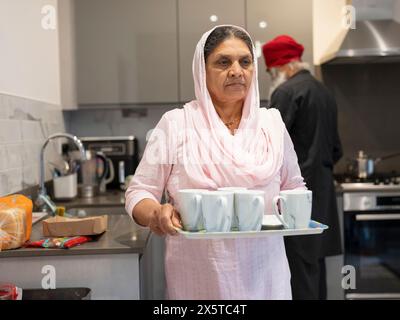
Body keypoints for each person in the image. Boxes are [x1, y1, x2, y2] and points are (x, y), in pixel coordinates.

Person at [125, 25, 306, 300]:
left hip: (266, 276)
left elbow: (293, 185)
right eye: (223, 62)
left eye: (245, 62)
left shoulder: (271, 124)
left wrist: (292, 210)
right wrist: (155, 213)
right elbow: (139, 192)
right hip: (199, 277)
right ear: (202, 69)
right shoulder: (176, 124)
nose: (237, 70)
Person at [262, 35, 343, 300]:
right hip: (322, 192)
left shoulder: (285, 93)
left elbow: (269, 150)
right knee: (314, 270)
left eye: (270, 71)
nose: (271, 76)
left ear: (282, 67)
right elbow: (337, 149)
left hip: (295, 200)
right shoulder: (324, 91)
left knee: (297, 273)